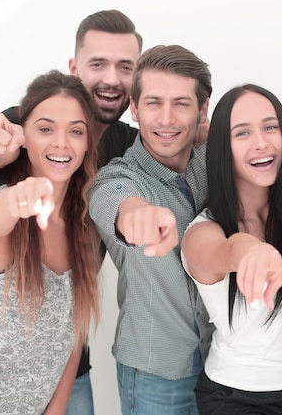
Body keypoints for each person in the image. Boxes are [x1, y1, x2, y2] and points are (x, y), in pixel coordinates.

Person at [0, 10, 142, 414]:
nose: (111, 78)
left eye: (125, 67)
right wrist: (11, 195)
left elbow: (72, 326)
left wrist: (210, 136)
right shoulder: (14, 131)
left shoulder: (126, 153)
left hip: (61, 381)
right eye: (98, 63)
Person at [181, 83, 282, 414]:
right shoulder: (203, 231)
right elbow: (229, 250)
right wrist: (254, 254)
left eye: (270, 127)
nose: (261, 142)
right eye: (242, 133)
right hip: (238, 396)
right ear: (221, 149)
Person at [88, 44, 214, 415]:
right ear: (134, 107)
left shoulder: (212, 159)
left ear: (202, 109)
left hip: (219, 362)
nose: (166, 119)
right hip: (153, 373)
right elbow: (113, 201)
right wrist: (137, 215)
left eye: (181, 103)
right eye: (154, 103)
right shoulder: (117, 176)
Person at [0, 70, 100, 414]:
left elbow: (71, 337)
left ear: (87, 143)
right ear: (22, 136)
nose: (61, 142)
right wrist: (15, 200)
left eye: (75, 131)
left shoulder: (83, 230)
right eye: (45, 129)